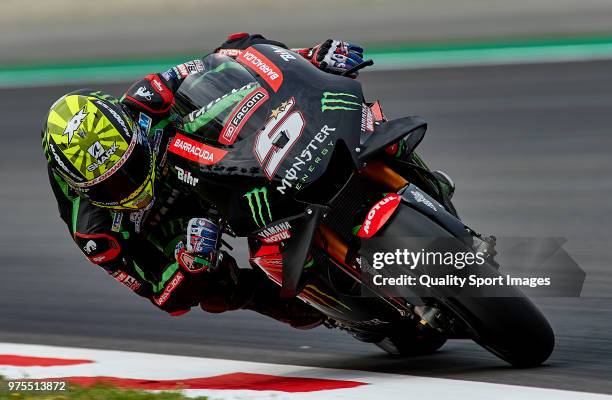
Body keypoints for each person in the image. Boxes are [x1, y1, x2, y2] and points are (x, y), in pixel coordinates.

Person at [41, 34, 366, 328]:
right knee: (215, 291)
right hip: (171, 222)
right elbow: (157, 293)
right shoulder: (94, 233)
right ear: (80, 188)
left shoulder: (146, 98)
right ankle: (294, 301)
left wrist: (309, 56)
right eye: (107, 187)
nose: (129, 185)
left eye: (131, 165)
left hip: (197, 162)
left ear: (132, 131)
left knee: (217, 96)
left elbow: (235, 52)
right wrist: (188, 264)